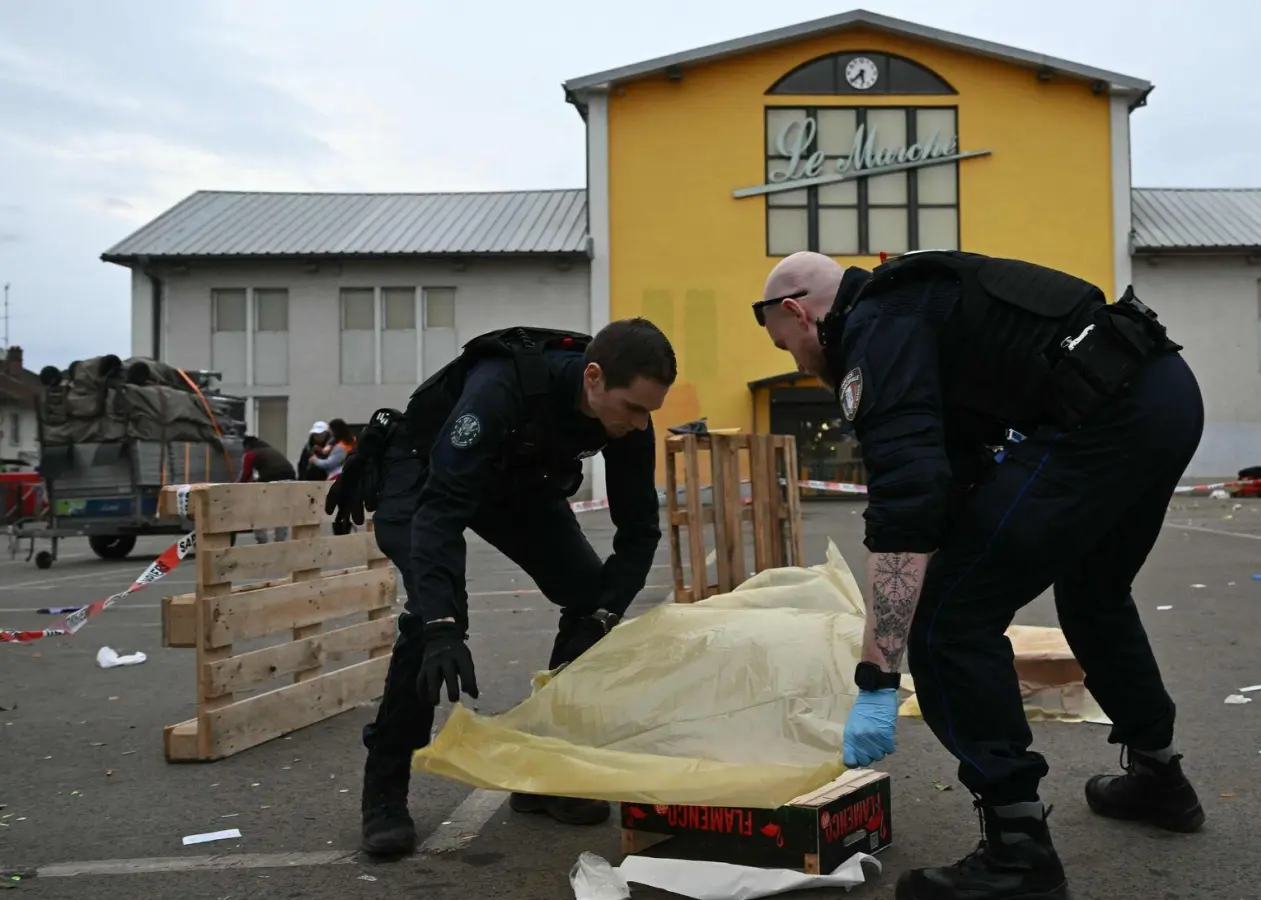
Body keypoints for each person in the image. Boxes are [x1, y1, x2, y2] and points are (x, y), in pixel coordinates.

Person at [755, 250, 1205, 900]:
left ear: (798, 312)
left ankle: (1018, 848)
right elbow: (954, 480)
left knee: (946, 622)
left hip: (1106, 417)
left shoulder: (876, 327)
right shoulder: (917, 308)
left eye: (785, 344)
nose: (796, 361)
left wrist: (878, 673)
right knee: (1093, 593)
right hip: (1164, 396)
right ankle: (1161, 779)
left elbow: (906, 497)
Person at [325, 319, 676, 858]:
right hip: (424, 471)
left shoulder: (630, 419)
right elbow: (440, 512)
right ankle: (386, 791)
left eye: (649, 412)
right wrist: (443, 625)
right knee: (430, 623)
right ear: (594, 377)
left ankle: (544, 773)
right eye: (632, 408)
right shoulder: (499, 387)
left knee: (589, 600)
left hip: (515, 482)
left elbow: (640, 531)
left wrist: (603, 616)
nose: (639, 423)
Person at [239, 435, 297, 543]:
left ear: (246, 446)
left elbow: (246, 475)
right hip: (291, 479)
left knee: (258, 510)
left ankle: (262, 541)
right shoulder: (271, 450)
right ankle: (280, 541)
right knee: (282, 510)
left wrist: (237, 488)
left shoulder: (250, 453)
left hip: (273, 480)